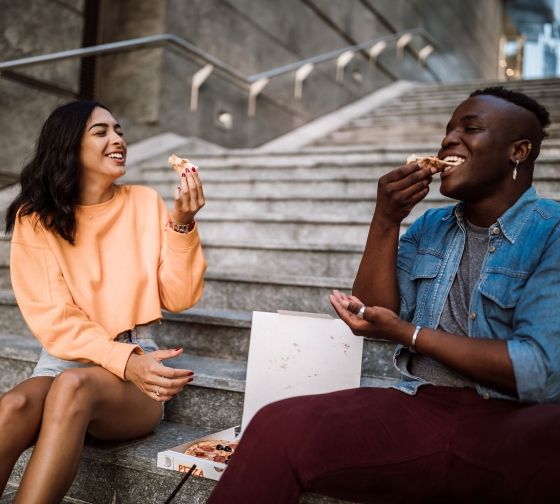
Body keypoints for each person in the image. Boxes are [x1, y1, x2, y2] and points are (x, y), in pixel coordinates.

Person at [207, 87, 560, 503]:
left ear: (518, 151)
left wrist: (409, 334)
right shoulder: (431, 225)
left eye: (471, 128)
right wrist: (386, 219)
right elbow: (374, 314)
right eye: (447, 130)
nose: (448, 139)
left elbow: (539, 370)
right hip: (421, 408)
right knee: (276, 425)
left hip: (515, 420)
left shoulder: (552, 230)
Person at [0, 100, 206, 503]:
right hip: (63, 359)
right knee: (13, 404)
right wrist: (121, 359)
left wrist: (181, 224)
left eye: (119, 131)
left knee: (73, 387)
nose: (118, 140)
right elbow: (55, 320)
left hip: (133, 361)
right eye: (101, 132)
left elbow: (179, 297)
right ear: (69, 146)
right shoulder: (35, 219)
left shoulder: (144, 202)